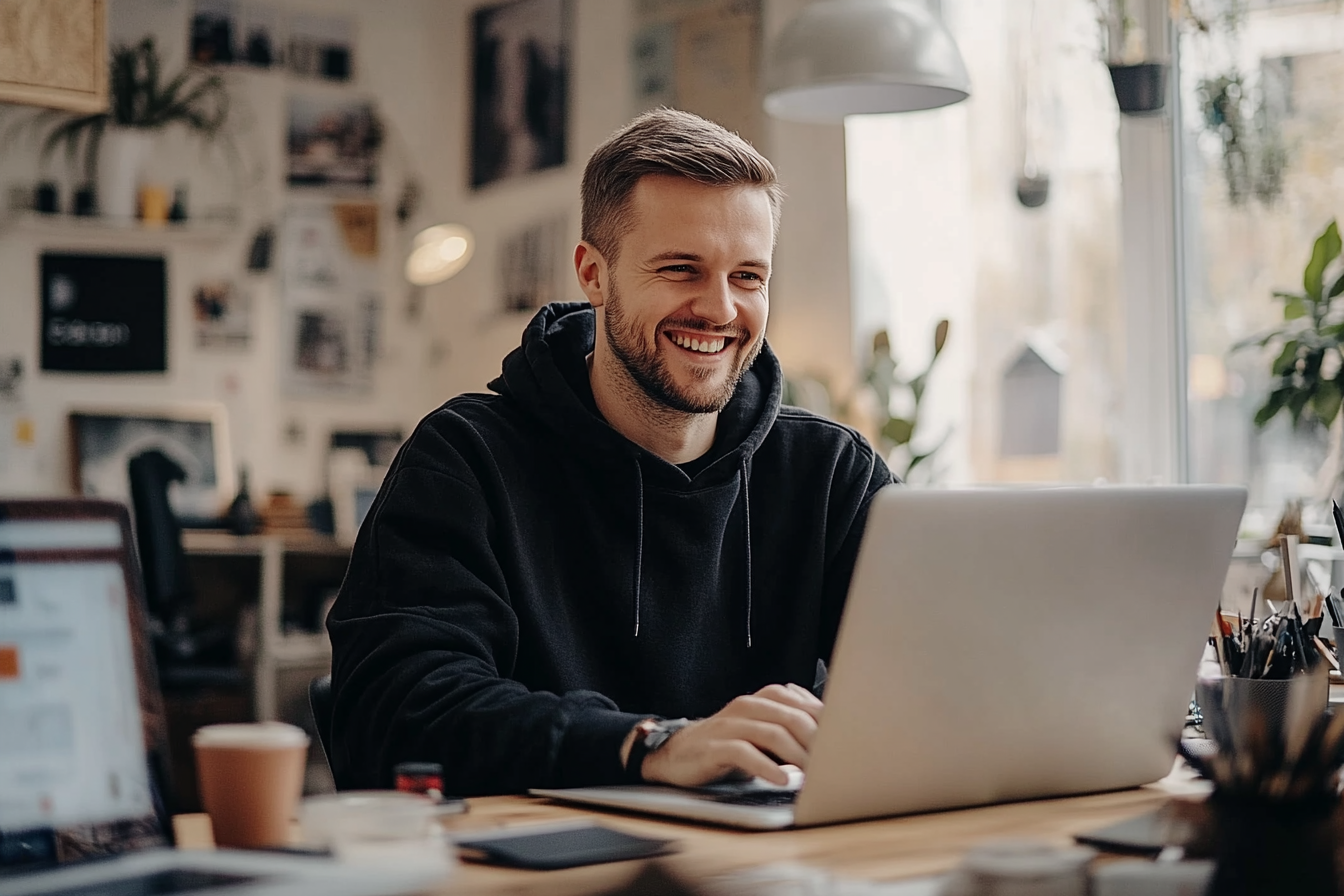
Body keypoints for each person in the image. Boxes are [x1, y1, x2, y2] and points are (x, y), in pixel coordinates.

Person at [327, 109, 893, 796]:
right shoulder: (466, 459)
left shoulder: (832, 474)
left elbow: (933, 682)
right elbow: (390, 715)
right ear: (593, 275)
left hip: (762, 863)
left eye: (748, 277)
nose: (719, 310)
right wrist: (649, 745)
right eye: (682, 269)